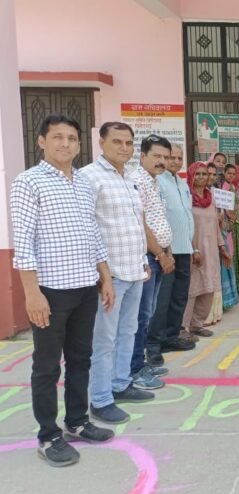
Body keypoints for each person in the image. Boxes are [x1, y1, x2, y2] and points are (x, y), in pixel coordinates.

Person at [11, 114, 115, 466]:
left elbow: (93, 234)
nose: (65, 144)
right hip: (51, 291)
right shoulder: (29, 183)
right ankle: (48, 434)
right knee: (46, 366)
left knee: (80, 359)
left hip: (86, 286)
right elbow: (22, 243)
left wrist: (105, 277)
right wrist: (31, 293)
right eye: (57, 137)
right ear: (41, 141)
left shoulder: (83, 183)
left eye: (72, 138)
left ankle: (77, 421)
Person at [79, 131, 160, 424]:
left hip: (134, 270)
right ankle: (100, 399)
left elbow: (135, 225)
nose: (124, 148)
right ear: (101, 143)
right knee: (105, 339)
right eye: (117, 142)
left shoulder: (129, 178)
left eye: (128, 143)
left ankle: (121, 383)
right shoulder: (89, 177)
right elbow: (87, 228)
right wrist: (102, 275)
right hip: (109, 275)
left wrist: (142, 260)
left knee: (129, 331)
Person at [129, 133, 175, 391]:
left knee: (147, 314)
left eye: (165, 157)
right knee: (140, 316)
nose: (162, 161)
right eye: (156, 156)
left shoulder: (155, 181)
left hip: (158, 254)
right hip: (147, 257)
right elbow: (142, 224)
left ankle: (140, 363)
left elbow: (159, 221)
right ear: (143, 156)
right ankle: (135, 369)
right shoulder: (137, 181)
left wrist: (167, 252)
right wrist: (160, 254)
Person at [148, 144, 196, 369]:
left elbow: (186, 215)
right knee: (162, 299)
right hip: (168, 250)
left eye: (179, 157)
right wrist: (164, 250)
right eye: (171, 158)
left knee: (179, 296)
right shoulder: (159, 183)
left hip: (184, 248)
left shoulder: (182, 183)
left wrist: (192, 245)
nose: (176, 161)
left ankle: (171, 335)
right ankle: (154, 345)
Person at [183, 162, 230, 338]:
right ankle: (183, 327)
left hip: (211, 251)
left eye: (204, 174)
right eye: (198, 174)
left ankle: (197, 324)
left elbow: (216, 226)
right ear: (191, 176)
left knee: (209, 287)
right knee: (192, 289)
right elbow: (185, 226)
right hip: (195, 251)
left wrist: (222, 246)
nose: (202, 177)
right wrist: (193, 248)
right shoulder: (187, 198)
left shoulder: (211, 198)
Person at [219, 164, 239, 308]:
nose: (231, 176)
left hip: (234, 222)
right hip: (228, 224)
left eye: (234, 173)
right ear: (224, 173)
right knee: (229, 252)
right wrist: (232, 219)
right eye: (229, 173)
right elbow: (226, 207)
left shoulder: (233, 187)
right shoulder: (225, 187)